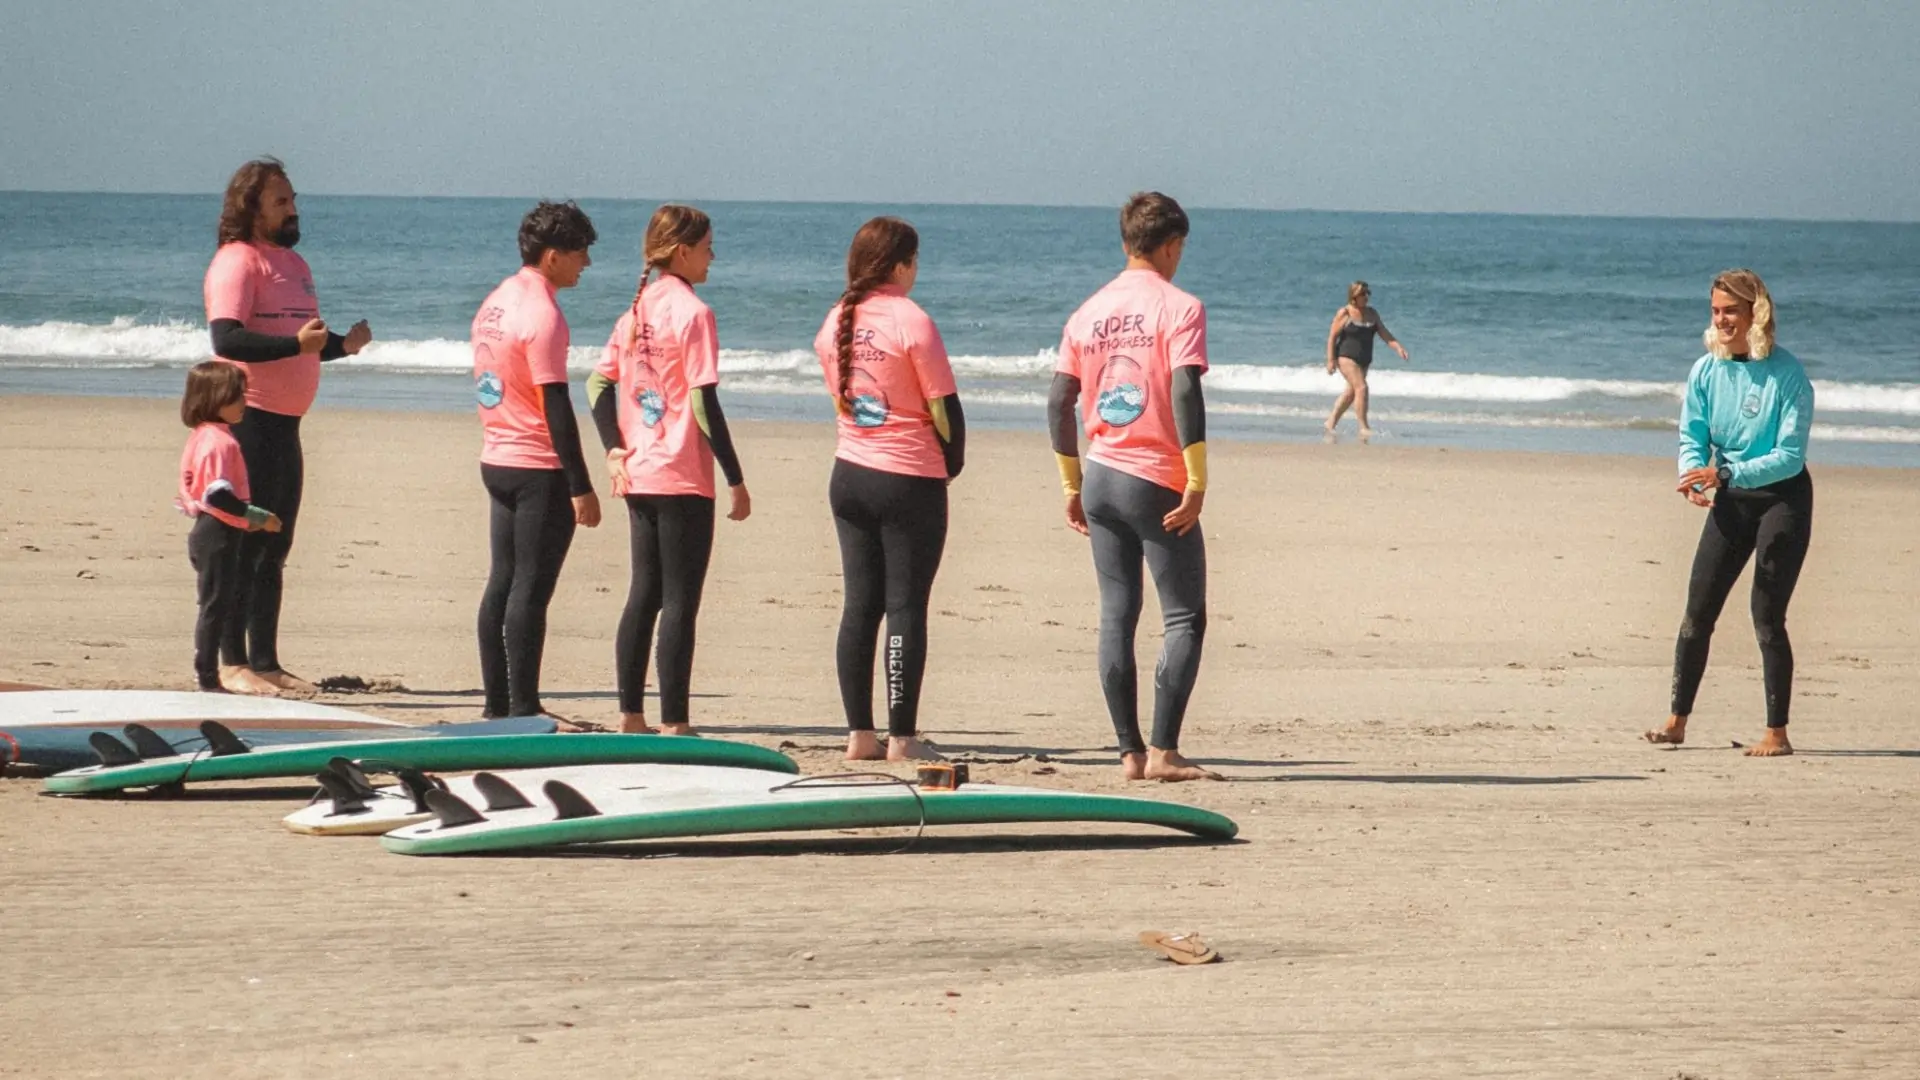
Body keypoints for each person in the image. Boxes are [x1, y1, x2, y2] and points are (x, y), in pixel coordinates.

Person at [1048, 192, 1219, 783]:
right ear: (1171, 246)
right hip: (1155, 479)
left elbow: (1059, 401)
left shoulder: (1087, 313)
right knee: (1184, 617)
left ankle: (1129, 753)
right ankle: (1164, 752)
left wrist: (1071, 483)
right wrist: (1196, 478)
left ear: (1126, 243)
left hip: (1100, 475)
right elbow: (1184, 389)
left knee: (1117, 616)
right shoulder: (1181, 307)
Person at [203, 157, 372, 694]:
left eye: (293, 198)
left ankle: (266, 661)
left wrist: (342, 346)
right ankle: (232, 664)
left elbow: (302, 346)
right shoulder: (237, 262)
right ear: (251, 208)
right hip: (247, 421)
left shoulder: (294, 264)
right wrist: (297, 346)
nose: (293, 209)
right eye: (281, 201)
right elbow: (227, 339)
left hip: (285, 426)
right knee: (242, 544)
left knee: (274, 545)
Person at [587, 205, 750, 735]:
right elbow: (703, 403)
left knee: (644, 594)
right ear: (682, 251)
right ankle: (676, 722)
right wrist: (735, 477)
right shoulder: (694, 313)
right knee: (680, 600)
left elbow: (596, 384)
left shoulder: (636, 310)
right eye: (707, 247)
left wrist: (614, 448)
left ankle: (630, 716)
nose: (712, 256)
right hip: (681, 474)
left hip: (638, 473)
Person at [812, 217, 965, 762]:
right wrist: (951, 465)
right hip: (907, 480)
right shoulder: (911, 320)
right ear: (901, 265)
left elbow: (844, 400)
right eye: (914, 261)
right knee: (905, 606)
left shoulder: (835, 320)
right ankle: (901, 737)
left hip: (849, 475)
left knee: (859, 606)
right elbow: (945, 409)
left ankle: (860, 735)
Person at [1646, 269, 1814, 758]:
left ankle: (1777, 733)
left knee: (1766, 616)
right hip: (1731, 496)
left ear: (1755, 312)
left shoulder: (1788, 374)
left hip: (1782, 499)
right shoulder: (1706, 370)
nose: (1721, 319)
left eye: (1731, 311)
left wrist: (1724, 473)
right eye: (1715, 311)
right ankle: (1676, 722)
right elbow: (1692, 435)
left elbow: (1789, 457)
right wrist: (1692, 475)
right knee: (1697, 612)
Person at [471, 200, 603, 724]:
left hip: (497, 458)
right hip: (536, 467)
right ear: (552, 256)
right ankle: (524, 708)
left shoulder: (496, 301)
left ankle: (497, 705)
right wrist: (580, 485)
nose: (586, 263)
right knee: (530, 589)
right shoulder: (543, 315)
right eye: (580, 252)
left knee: (502, 581)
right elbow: (556, 403)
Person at [176, 361, 284, 692]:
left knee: (216, 603)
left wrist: (243, 521)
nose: (244, 403)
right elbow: (217, 495)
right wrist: (259, 517)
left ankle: (208, 674)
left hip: (211, 529)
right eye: (237, 396)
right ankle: (207, 677)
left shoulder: (203, 435)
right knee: (215, 607)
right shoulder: (219, 442)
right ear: (214, 399)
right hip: (216, 533)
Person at [1322, 280, 1409, 440]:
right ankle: (1364, 427)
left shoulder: (1372, 313)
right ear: (1354, 295)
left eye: (1368, 293)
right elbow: (1332, 336)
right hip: (1346, 356)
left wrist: (1398, 347)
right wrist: (1330, 360)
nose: (1366, 297)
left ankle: (1330, 422)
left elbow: (1384, 333)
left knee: (1351, 393)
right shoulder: (1345, 312)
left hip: (1364, 359)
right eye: (1363, 293)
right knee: (1362, 388)